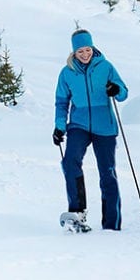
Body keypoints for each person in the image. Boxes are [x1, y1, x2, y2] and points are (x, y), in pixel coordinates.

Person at [54, 29, 129, 230]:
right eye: (80, 51)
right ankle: (77, 212)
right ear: (74, 53)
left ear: (92, 48)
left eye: (87, 50)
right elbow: (61, 102)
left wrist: (116, 89)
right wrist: (60, 126)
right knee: (70, 162)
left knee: (107, 172)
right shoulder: (67, 72)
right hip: (78, 124)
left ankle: (111, 223)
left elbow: (123, 93)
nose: (85, 54)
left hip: (104, 126)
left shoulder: (106, 67)